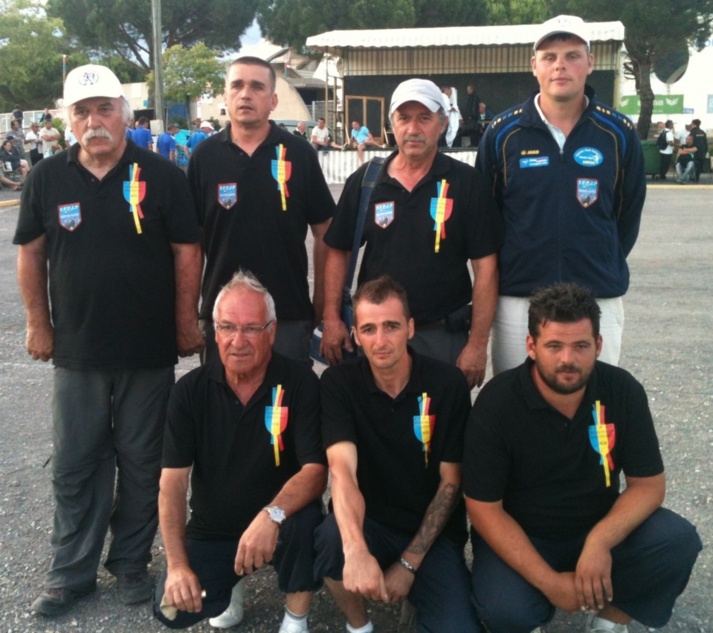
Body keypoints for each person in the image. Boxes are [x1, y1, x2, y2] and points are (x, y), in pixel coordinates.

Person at [13, 63, 203, 617]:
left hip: (148, 351)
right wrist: (37, 322)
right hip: (77, 351)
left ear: (124, 114)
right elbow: (30, 252)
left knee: (144, 462)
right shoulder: (47, 177)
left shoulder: (162, 176)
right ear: (67, 121)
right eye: (82, 111)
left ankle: (129, 565)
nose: (94, 121)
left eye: (104, 109)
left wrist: (186, 322)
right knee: (76, 462)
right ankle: (69, 572)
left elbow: (187, 253)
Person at [463, 282, 702, 633]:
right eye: (554, 346)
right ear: (531, 346)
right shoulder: (497, 404)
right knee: (505, 612)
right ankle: (532, 609)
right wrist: (550, 583)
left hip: (596, 524)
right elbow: (484, 509)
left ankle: (608, 621)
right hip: (525, 536)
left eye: (581, 346)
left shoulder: (623, 391)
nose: (567, 360)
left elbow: (649, 486)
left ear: (598, 345)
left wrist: (600, 541)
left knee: (677, 541)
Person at [153, 270, 326, 632]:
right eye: (228, 327)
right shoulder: (190, 392)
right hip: (215, 527)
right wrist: (177, 566)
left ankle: (296, 617)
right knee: (170, 609)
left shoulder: (300, 382)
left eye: (251, 328)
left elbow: (315, 470)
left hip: (283, 522)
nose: (238, 340)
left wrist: (271, 514)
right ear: (214, 332)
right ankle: (232, 581)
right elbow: (171, 483)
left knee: (307, 525)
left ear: (272, 332)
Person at [475, 14, 646, 374]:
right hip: (518, 298)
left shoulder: (618, 132)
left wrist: (596, 256)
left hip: (596, 294)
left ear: (590, 63)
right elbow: (486, 220)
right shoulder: (503, 133)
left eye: (572, 55)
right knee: (517, 406)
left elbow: (625, 216)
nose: (560, 66)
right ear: (533, 65)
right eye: (550, 57)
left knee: (593, 404)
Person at [314, 276, 482, 633]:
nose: (380, 340)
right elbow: (341, 471)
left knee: (458, 628)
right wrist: (356, 549)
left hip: (431, 536)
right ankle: (359, 625)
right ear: (356, 335)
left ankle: (416, 595)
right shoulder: (339, 384)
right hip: (371, 523)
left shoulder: (447, 385)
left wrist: (408, 565)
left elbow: (451, 482)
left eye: (391, 326)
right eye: (369, 329)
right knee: (330, 542)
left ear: (410, 328)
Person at [322, 78, 502, 388]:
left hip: (443, 339)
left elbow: (486, 269)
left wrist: (476, 344)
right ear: (392, 123)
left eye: (425, 117)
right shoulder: (365, 182)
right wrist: (331, 319)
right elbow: (338, 251)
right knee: (377, 428)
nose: (413, 128)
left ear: (443, 123)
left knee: (443, 431)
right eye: (404, 118)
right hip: (379, 337)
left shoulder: (467, 184)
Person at [188, 56, 335, 366]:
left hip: (288, 315)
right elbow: (189, 247)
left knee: (287, 409)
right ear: (225, 96)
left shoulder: (299, 154)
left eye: (257, 86)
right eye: (237, 85)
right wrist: (191, 314)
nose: (245, 94)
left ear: (273, 100)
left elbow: (325, 231)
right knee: (225, 410)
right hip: (222, 318)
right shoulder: (204, 158)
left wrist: (322, 303)